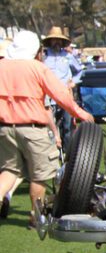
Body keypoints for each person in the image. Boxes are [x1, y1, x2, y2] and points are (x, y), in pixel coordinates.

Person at [0, 30, 95, 223]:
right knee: (39, 174)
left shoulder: (1, 66)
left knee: (9, 171)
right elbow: (61, 95)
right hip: (32, 127)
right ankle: (36, 217)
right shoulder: (37, 68)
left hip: (5, 128)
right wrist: (83, 115)